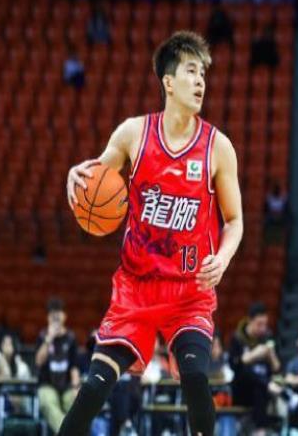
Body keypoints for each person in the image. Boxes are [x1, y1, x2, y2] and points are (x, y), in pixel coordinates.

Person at [63, 31, 243, 436]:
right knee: (93, 388)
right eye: (191, 72)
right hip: (136, 288)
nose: (200, 81)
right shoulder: (133, 133)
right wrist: (76, 174)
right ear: (168, 82)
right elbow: (97, 175)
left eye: (203, 74)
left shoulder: (218, 147)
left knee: (196, 380)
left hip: (189, 290)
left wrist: (223, 257)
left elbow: (235, 221)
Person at [229, 302, 281, 436]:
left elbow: (277, 369)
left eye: (265, 324)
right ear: (250, 321)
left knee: (261, 388)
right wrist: (254, 354)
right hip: (243, 390)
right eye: (259, 324)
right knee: (249, 375)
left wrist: (271, 355)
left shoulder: (268, 337)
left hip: (262, 392)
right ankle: (260, 430)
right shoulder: (237, 338)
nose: (263, 328)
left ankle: (261, 430)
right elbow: (235, 366)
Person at [35, 299, 80, 434]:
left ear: (64, 316)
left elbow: (74, 366)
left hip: (67, 386)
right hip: (47, 385)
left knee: (77, 403)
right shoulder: (42, 336)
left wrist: (76, 387)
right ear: (48, 317)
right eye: (52, 315)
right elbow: (38, 362)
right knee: (47, 402)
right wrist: (49, 338)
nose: (55, 318)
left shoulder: (71, 338)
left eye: (58, 314)